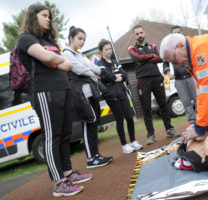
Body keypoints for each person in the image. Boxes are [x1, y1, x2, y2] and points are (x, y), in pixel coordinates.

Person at [17, 4, 92, 197]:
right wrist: (53, 58)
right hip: (44, 91)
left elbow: (66, 64)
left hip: (63, 88)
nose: (48, 19)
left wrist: (53, 59)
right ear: (33, 16)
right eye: (44, 15)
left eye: (49, 16)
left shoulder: (47, 40)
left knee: (65, 133)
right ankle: (59, 183)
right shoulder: (26, 38)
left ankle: (68, 173)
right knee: (52, 135)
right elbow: (46, 56)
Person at [64, 27, 113, 168]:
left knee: (94, 124)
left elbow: (97, 69)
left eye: (84, 39)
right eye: (79, 38)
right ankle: (90, 159)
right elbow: (79, 70)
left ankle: (96, 155)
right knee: (87, 123)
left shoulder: (80, 55)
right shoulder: (67, 53)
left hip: (91, 92)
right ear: (71, 38)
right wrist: (91, 70)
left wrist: (91, 70)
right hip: (80, 94)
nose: (82, 42)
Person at [128, 25, 180, 145]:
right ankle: (150, 135)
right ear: (134, 36)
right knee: (146, 109)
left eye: (141, 33)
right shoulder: (132, 48)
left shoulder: (153, 46)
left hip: (157, 78)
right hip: (142, 81)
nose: (140, 35)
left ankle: (169, 129)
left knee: (163, 105)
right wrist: (151, 56)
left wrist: (145, 58)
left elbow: (160, 58)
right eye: (137, 34)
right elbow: (137, 58)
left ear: (144, 33)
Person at [96, 39, 143, 153]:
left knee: (129, 116)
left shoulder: (115, 62)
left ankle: (133, 141)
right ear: (101, 51)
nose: (109, 51)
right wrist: (115, 77)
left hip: (121, 92)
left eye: (110, 48)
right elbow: (106, 76)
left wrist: (117, 77)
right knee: (119, 119)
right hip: (111, 95)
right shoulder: (100, 64)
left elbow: (124, 75)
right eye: (106, 49)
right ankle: (124, 145)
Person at [163, 25, 197, 128]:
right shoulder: (170, 48)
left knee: (198, 99)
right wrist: (168, 73)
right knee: (186, 102)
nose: (177, 34)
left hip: (191, 76)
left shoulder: (188, 44)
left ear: (182, 33)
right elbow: (165, 62)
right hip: (179, 79)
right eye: (175, 33)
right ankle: (192, 121)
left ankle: (200, 119)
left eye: (178, 32)